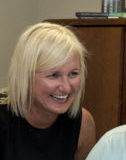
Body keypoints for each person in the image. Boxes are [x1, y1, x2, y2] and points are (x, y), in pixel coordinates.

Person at [0, 22, 96, 160]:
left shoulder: (83, 124)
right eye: (53, 75)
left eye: (73, 74)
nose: (66, 88)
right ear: (25, 76)